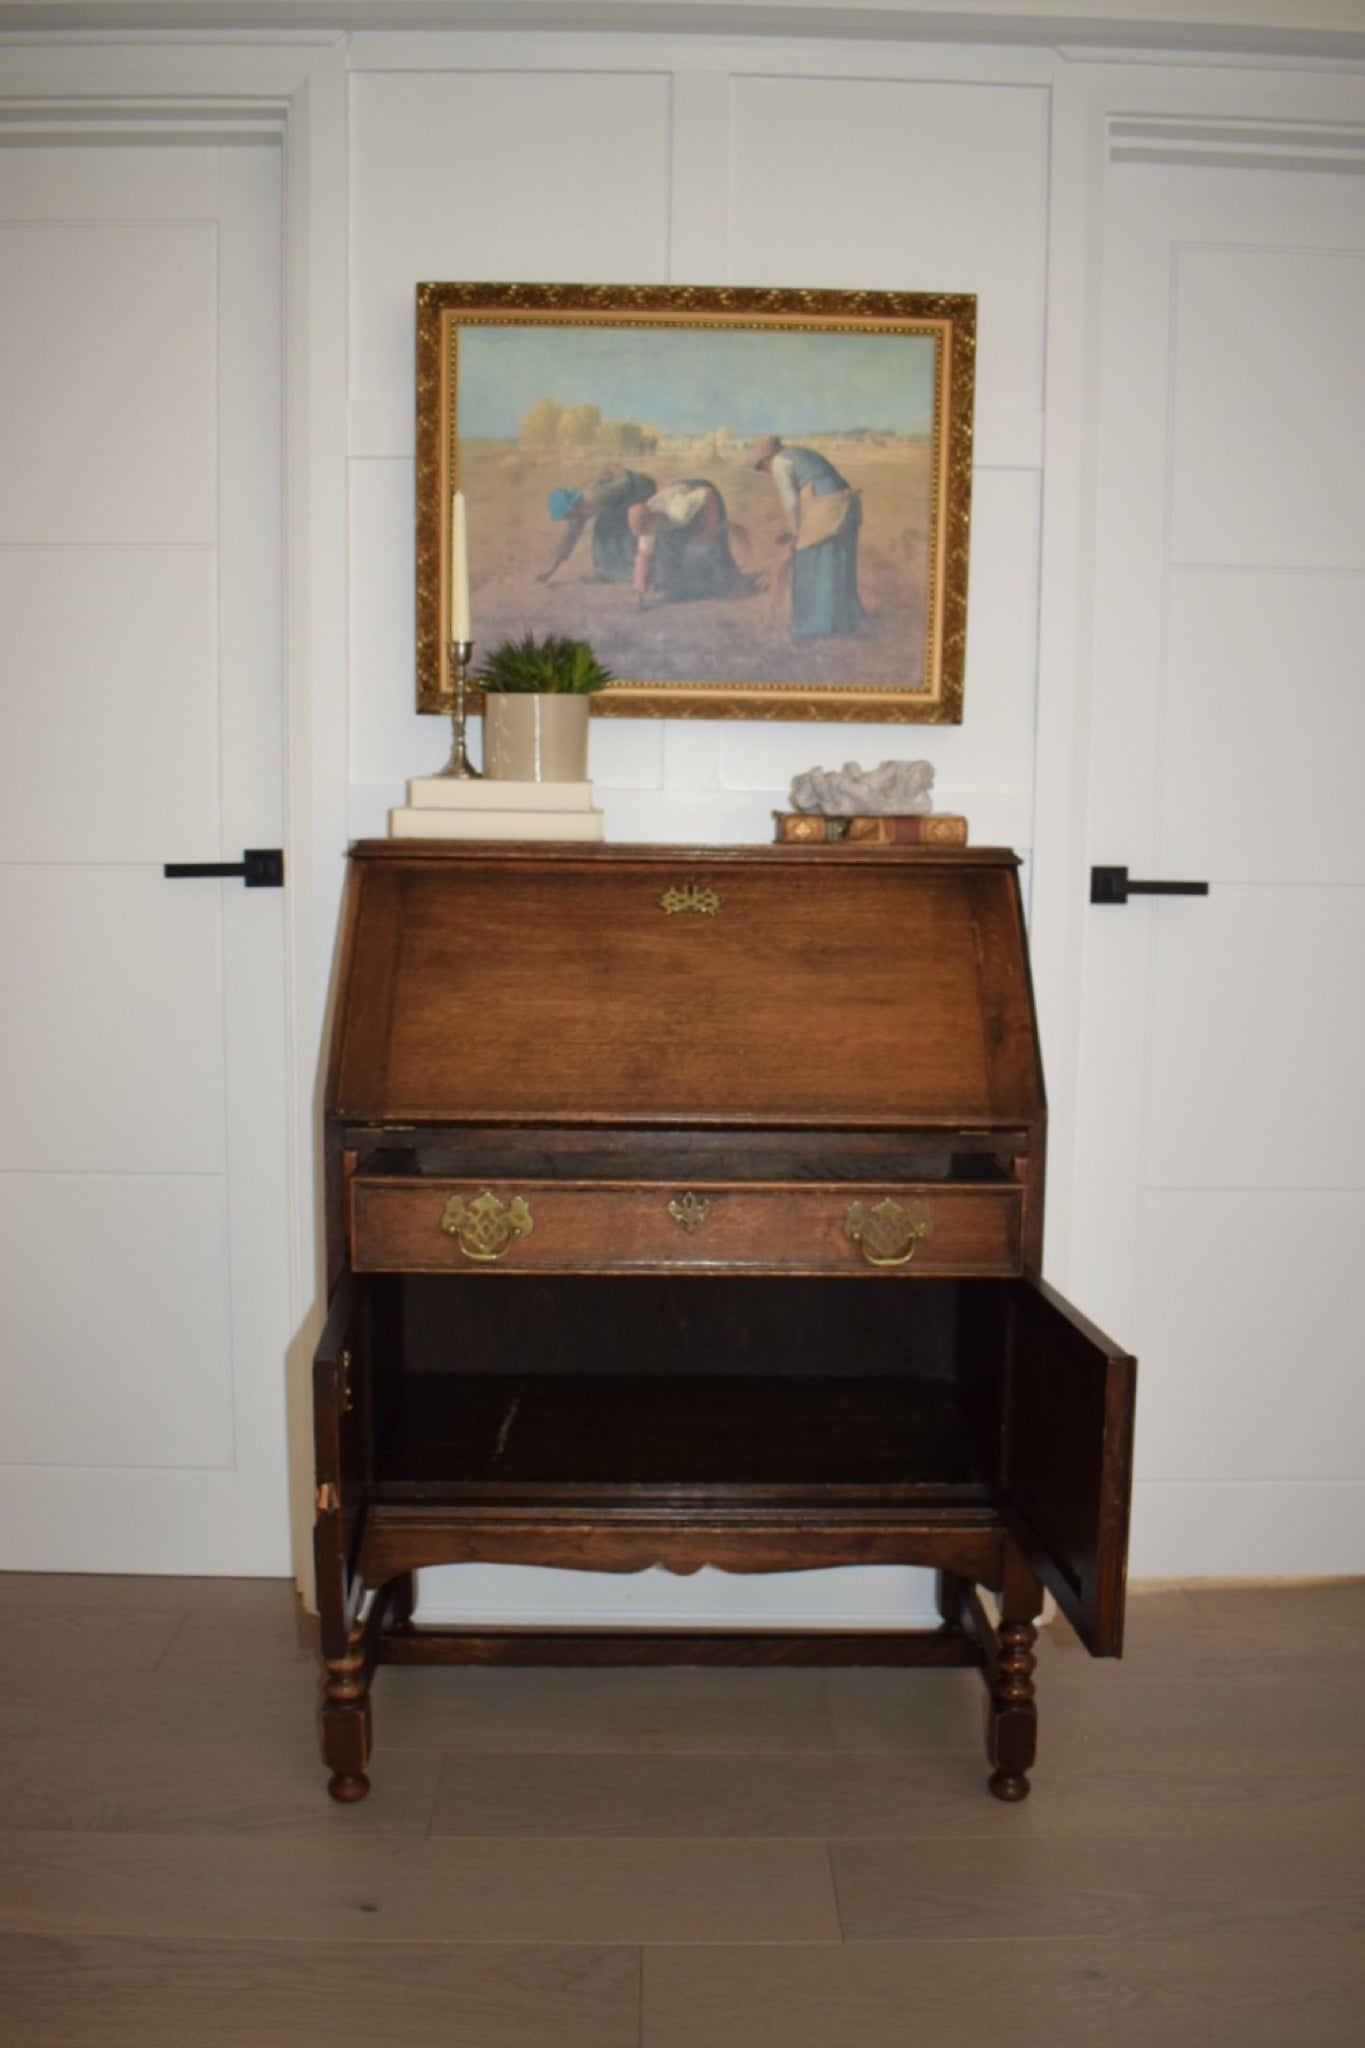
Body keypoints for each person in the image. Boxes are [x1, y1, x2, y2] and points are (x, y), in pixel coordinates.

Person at [752, 434, 864, 638]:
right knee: (837, 559)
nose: (765, 472)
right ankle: (845, 620)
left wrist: (797, 534)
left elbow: (791, 503)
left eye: (762, 467)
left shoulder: (780, 462)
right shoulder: (801, 454)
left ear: (767, 459)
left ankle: (815, 626)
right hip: (845, 503)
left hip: (827, 504)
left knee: (809, 561)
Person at [626, 478, 759, 606]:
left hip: (704, 497)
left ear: (651, 520)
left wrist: (710, 530)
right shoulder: (647, 527)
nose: (646, 534)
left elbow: (708, 494)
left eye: (647, 530)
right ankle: (676, 588)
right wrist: (639, 594)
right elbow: (644, 557)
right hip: (676, 506)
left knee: (714, 545)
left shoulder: (678, 511)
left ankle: (735, 583)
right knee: (668, 556)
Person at [539, 467, 656, 584]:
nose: (567, 519)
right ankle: (604, 571)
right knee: (602, 530)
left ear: (572, 507)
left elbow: (626, 482)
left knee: (617, 530)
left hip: (641, 489)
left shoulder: (595, 496)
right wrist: (550, 571)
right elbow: (568, 539)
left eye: (566, 516)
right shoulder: (579, 510)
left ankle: (639, 573)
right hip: (620, 500)